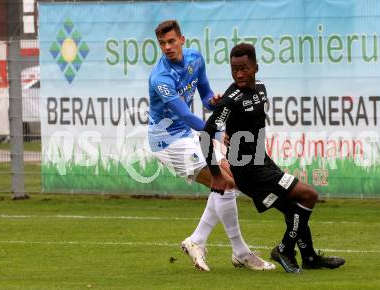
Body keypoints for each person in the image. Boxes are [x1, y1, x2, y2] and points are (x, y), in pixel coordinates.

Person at [202, 42, 346, 273]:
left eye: (244, 69)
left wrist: (230, 128)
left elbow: (244, 121)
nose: (239, 74)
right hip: (248, 170)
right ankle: (284, 249)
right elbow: (206, 134)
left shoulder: (261, 88)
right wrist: (217, 175)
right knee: (309, 196)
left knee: (294, 210)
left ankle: (309, 258)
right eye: (234, 70)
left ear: (256, 67)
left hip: (263, 161)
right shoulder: (231, 98)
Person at [147, 20, 275, 272]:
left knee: (230, 178)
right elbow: (185, 114)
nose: (168, 47)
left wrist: (213, 102)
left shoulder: (195, 58)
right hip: (168, 141)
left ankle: (196, 241)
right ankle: (241, 252)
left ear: (182, 40)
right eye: (162, 43)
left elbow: (205, 94)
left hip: (187, 135)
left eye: (172, 41)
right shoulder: (160, 78)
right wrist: (219, 130)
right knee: (224, 184)